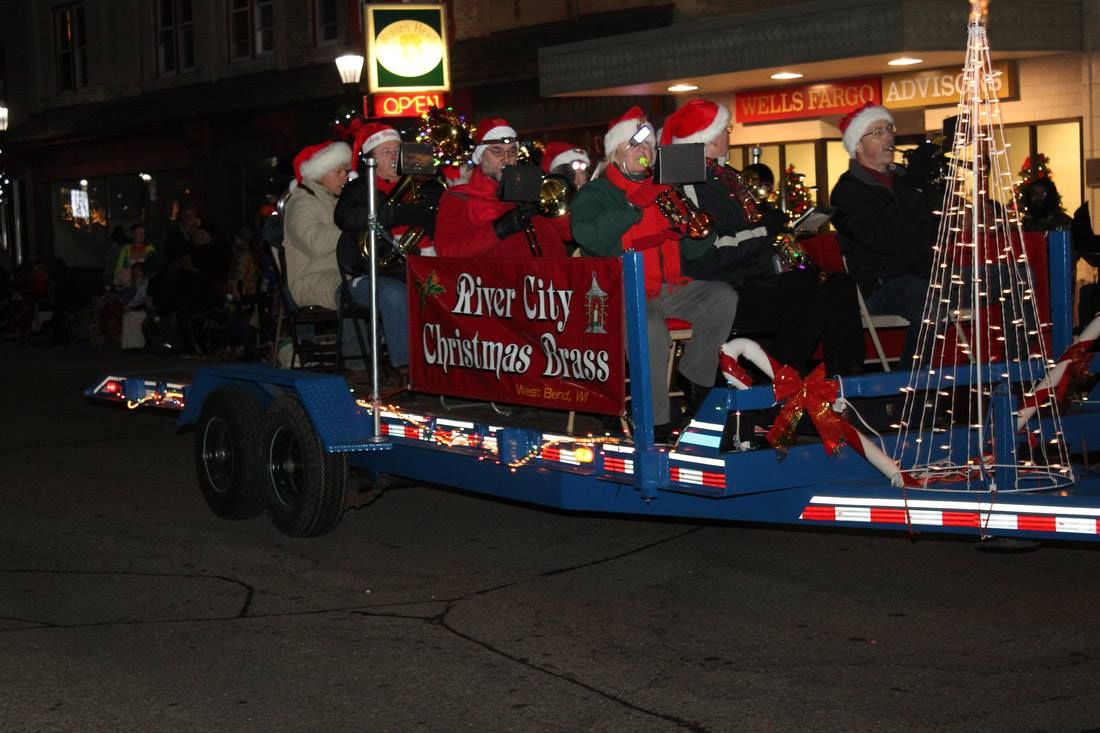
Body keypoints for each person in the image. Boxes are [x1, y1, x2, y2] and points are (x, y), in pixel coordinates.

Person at [571, 106, 738, 440]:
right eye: (634, 144)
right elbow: (590, 239)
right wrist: (634, 206)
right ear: (615, 151)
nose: (643, 151)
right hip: (619, 291)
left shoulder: (663, 190)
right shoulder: (597, 193)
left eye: (648, 144)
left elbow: (691, 252)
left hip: (668, 287)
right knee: (650, 328)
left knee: (722, 297)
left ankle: (695, 378)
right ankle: (655, 421)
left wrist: (695, 232)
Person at [665, 99, 863, 376]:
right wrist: (767, 230)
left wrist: (776, 229)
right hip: (724, 288)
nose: (728, 135)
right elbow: (714, 253)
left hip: (754, 277)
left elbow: (752, 226)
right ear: (708, 139)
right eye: (725, 129)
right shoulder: (688, 185)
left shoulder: (726, 177)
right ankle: (783, 383)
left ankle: (842, 383)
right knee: (811, 297)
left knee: (838, 285)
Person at [283, 140, 409, 381]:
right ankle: (402, 366)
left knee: (401, 286)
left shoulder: (334, 199)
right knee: (390, 294)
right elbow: (316, 242)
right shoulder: (302, 202)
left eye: (345, 171)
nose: (345, 176)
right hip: (317, 280)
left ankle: (384, 354)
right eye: (338, 171)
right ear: (320, 173)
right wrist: (359, 231)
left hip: (345, 275)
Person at [830, 102, 937, 366]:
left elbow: (936, 231)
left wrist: (934, 187)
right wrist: (915, 192)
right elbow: (886, 240)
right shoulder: (847, 192)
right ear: (857, 145)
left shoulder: (903, 181)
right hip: (882, 286)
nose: (889, 136)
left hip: (927, 277)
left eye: (889, 129)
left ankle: (1019, 376)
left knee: (1014, 278)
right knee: (931, 304)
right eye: (877, 132)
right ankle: (912, 390)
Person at [434, 118, 568, 259]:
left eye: (512, 152)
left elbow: (566, 234)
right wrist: (499, 229)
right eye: (497, 152)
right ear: (480, 156)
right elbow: (448, 252)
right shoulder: (459, 198)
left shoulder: (530, 189)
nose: (506, 159)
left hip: (544, 277)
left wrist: (548, 207)